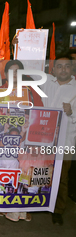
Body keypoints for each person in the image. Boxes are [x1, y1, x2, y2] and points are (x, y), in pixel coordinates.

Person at [40, 54, 76, 226]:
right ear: (53, 69)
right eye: (59, 66)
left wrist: (71, 112)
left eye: (67, 66)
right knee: (40, 173)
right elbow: (24, 66)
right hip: (42, 140)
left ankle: (58, 210)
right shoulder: (46, 81)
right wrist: (17, 45)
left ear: (72, 68)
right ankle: (38, 204)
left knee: (62, 177)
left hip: (66, 142)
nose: (63, 69)